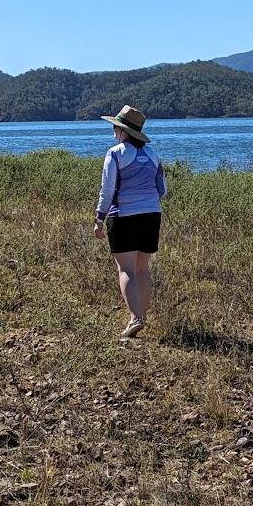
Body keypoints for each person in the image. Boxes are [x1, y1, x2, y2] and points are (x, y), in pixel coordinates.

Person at [92, 104, 167, 338]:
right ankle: (139, 316)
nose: (113, 129)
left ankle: (135, 318)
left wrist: (99, 219)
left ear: (123, 130)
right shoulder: (153, 156)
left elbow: (107, 190)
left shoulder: (115, 153)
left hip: (123, 216)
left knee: (126, 269)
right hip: (151, 215)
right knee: (143, 269)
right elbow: (162, 189)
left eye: (115, 126)